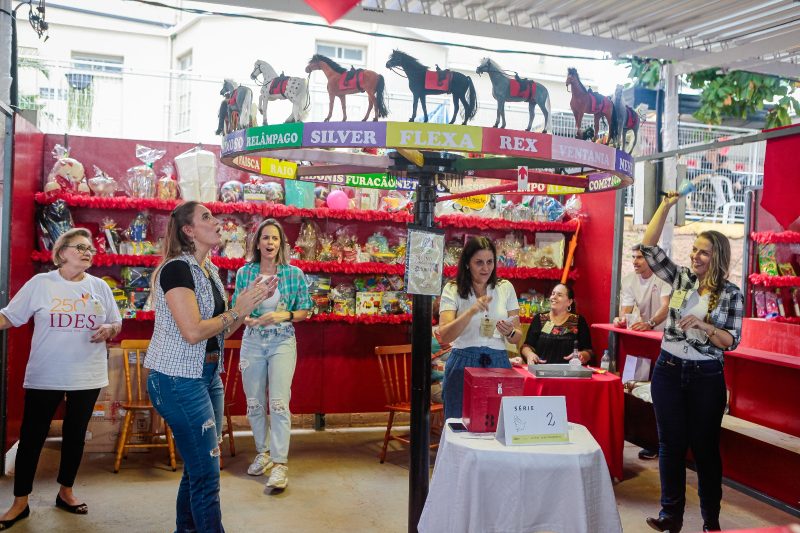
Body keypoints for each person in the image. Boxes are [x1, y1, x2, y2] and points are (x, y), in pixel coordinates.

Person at [145, 202, 273, 532]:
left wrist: (246, 307)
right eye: (206, 218)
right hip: (177, 379)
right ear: (188, 231)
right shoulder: (176, 269)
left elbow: (220, 329)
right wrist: (237, 309)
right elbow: (192, 332)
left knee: (198, 466)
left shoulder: (210, 270)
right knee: (207, 472)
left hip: (207, 375)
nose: (216, 222)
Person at [0, 228, 121, 530]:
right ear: (62, 252)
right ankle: (20, 502)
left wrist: (111, 329)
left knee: (75, 435)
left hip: (87, 374)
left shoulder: (99, 286)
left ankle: (65, 492)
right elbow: (9, 316)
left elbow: (116, 320)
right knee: (32, 438)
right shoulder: (41, 284)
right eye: (79, 247)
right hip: (46, 374)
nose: (87, 252)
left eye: (90, 248)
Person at [641, 192, 744, 533]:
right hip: (668, 369)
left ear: (716, 257)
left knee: (704, 448)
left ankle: (710, 520)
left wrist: (706, 326)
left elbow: (731, 341)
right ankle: (671, 517)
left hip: (705, 377)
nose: (695, 255)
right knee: (670, 445)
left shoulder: (731, 294)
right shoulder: (682, 279)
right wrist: (665, 206)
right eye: (694, 249)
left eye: (703, 251)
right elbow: (648, 247)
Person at [234, 219, 311, 491]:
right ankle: (263, 453)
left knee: (278, 402)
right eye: (265, 238)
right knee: (254, 403)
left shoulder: (294, 274)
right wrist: (249, 318)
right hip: (252, 341)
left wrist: (281, 315)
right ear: (257, 242)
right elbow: (237, 311)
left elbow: (305, 310)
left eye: (275, 239)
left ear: (281, 244)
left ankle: (280, 464)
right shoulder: (245, 273)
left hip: (282, 341)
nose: (270, 243)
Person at [437, 237, 521, 420]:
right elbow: (444, 335)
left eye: (490, 262)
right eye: (479, 263)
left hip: (499, 362)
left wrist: (510, 332)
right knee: (459, 423)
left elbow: (517, 337)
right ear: (467, 264)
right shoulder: (453, 289)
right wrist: (471, 311)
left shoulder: (505, 288)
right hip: (462, 363)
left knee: (497, 424)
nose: (486, 268)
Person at [520, 283, 593, 365]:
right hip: (542, 372)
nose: (553, 297)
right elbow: (526, 346)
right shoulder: (540, 318)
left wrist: (582, 355)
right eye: (553, 294)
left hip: (570, 374)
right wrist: (529, 354)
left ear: (569, 302)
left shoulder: (578, 321)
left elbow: (588, 351)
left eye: (559, 295)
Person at [614, 244, 671, 331]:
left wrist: (650, 323)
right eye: (633, 257)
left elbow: (666, 306)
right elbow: (626, 311)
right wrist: (621, 320)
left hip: (670, 333)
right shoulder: (628, 280)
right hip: (648, 333)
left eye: (640, 257)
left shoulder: (665, 277)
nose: (634, 261)